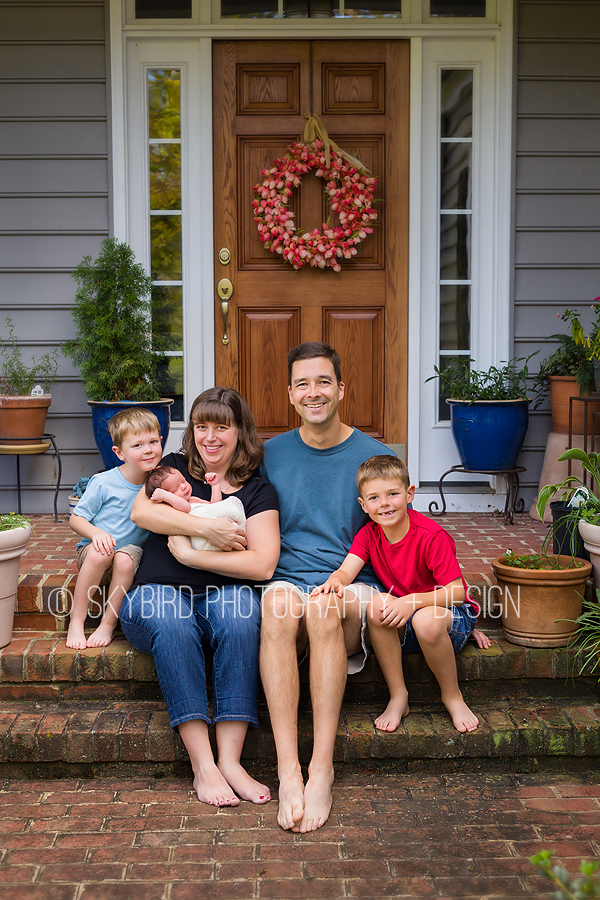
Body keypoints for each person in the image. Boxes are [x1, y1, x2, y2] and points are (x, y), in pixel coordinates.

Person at [260, 342, 491, 834]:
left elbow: (406, 541)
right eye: (302, 383)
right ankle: (287, 769)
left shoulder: (375, 458)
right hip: (286, 581)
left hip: (353, 590)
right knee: (278, 608)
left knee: (325, 610)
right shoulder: (270, 454)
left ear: (342, 388)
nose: (313, 391)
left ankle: (321, 766)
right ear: (290, 394)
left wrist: (436, 602)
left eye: (324, 381)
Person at [122, 387, 280, 808]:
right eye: (201, 426)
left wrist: (191, 553)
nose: (210, 437)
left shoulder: (258, 490)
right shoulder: (173, 467)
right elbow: (142, 512)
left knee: (241, 613)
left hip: (221, 595)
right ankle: (203, 765)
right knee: (173, 619)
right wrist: (210, 532)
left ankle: (230, 761)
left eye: (221, 427)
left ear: (240, 432)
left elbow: (263, 565)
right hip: (156, 594)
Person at [312, 454, 481, 736]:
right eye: (375, 498)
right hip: (408, 618)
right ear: (363, 506)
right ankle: (398, 696)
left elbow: (457, 592)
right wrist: (334, 582)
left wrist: (411, 601)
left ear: (409, 493)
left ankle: (453, 697)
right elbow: (346, 571)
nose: (385, 503)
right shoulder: (369, 535)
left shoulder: (430, 535)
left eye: (393, 494)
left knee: (426, 620)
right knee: (378, 604)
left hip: (445, 614)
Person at [67, 408, 162, 650]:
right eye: (138, 445)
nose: (148, 449)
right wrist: (96, 533)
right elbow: (76, 519)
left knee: (123, 560)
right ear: (119, 453)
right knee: (103, 552)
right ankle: (77, 621)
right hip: (94, 554)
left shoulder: (161, 484)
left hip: (129, 560)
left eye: (153, 441)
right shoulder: (104, 482)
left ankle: (107, 624)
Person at [145, 465, 246, 550]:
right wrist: (165, 496)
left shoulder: (194, 499)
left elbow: (214, 506)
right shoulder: (172, 507)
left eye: (183, 481)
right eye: (175, 489)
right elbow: (186, 508)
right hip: (202, 541)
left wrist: (215, 486)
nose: (183, 486)